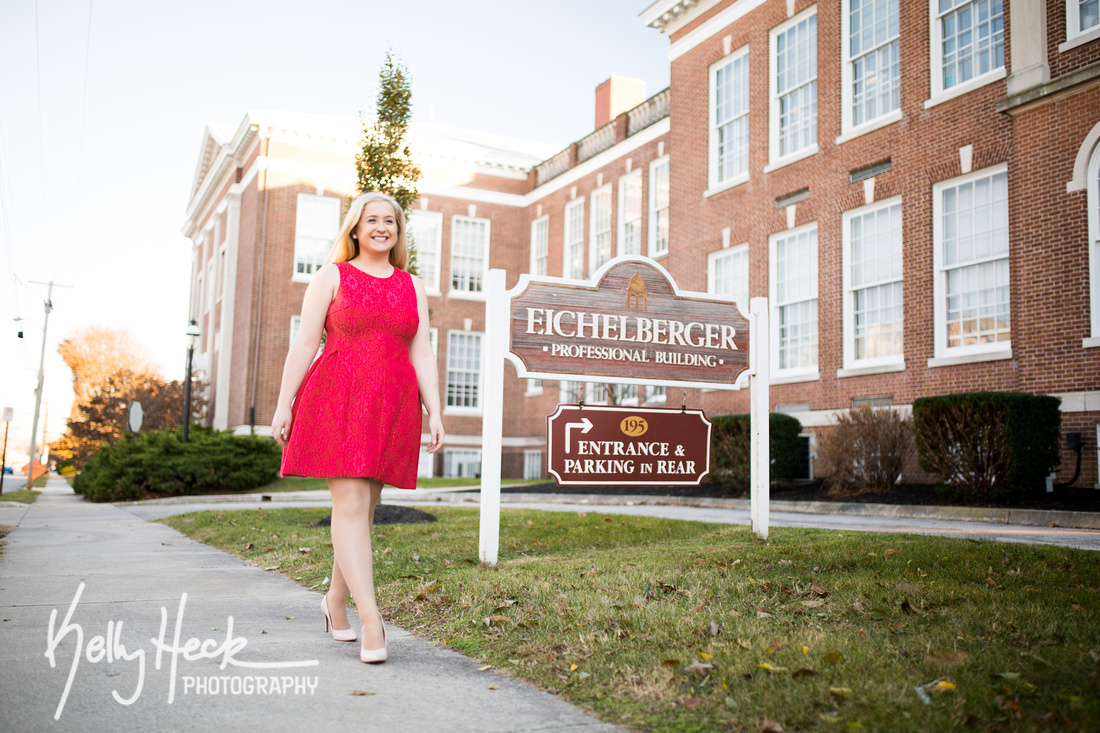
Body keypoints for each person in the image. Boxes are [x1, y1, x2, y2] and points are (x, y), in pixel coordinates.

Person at [272, 192, 444, 664]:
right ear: (355, 228)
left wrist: (436, 410)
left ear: (398, 231)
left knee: (364, 510)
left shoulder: (412, 285)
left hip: (391, 402)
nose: (381, 227)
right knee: (348, 503)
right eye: (372, 220)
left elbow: (421, 352)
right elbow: (305, 343)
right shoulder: (331, 276)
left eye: (390, 221)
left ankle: (333, 602)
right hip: (339, 398)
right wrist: (284, 404)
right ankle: (372, 619)